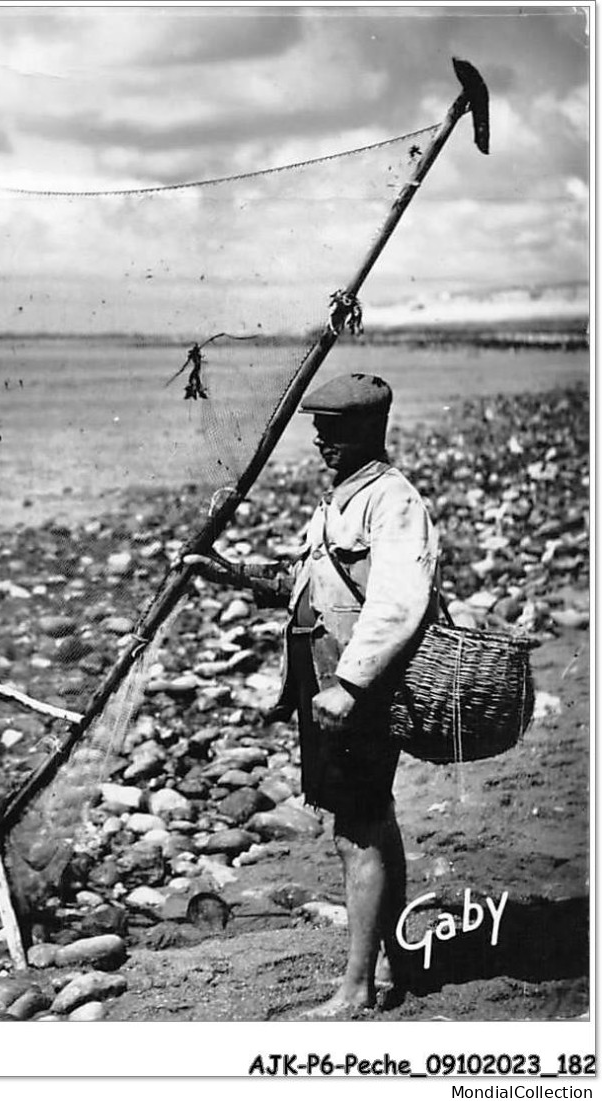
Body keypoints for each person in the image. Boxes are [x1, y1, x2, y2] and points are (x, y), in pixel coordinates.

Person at [185, 373, 438, 1016]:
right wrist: (225, 572)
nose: (322, 439)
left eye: (335, 428)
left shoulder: (392, 500)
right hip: (324, 683)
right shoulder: (341, 498)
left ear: (370, 429)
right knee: (371, 819)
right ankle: (390, 960)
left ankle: (355, 989)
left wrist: (351, 685)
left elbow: (396, 603)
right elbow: (306, 580)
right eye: (318, 427)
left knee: (357, 830)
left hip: (357, 689)